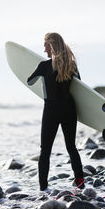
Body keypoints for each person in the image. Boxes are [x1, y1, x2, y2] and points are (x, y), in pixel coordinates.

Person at [27, 32, 84, 192]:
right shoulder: (71, 65)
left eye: (46, 45)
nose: (44, 49)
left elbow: (29, 81)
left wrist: (38, 72)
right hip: (68, 108)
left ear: (51, 46)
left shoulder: (44, 66)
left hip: (51, 110)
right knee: (71, 147)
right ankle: (80, 183)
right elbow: (80, 87)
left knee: (45, 150)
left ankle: (43, 188)